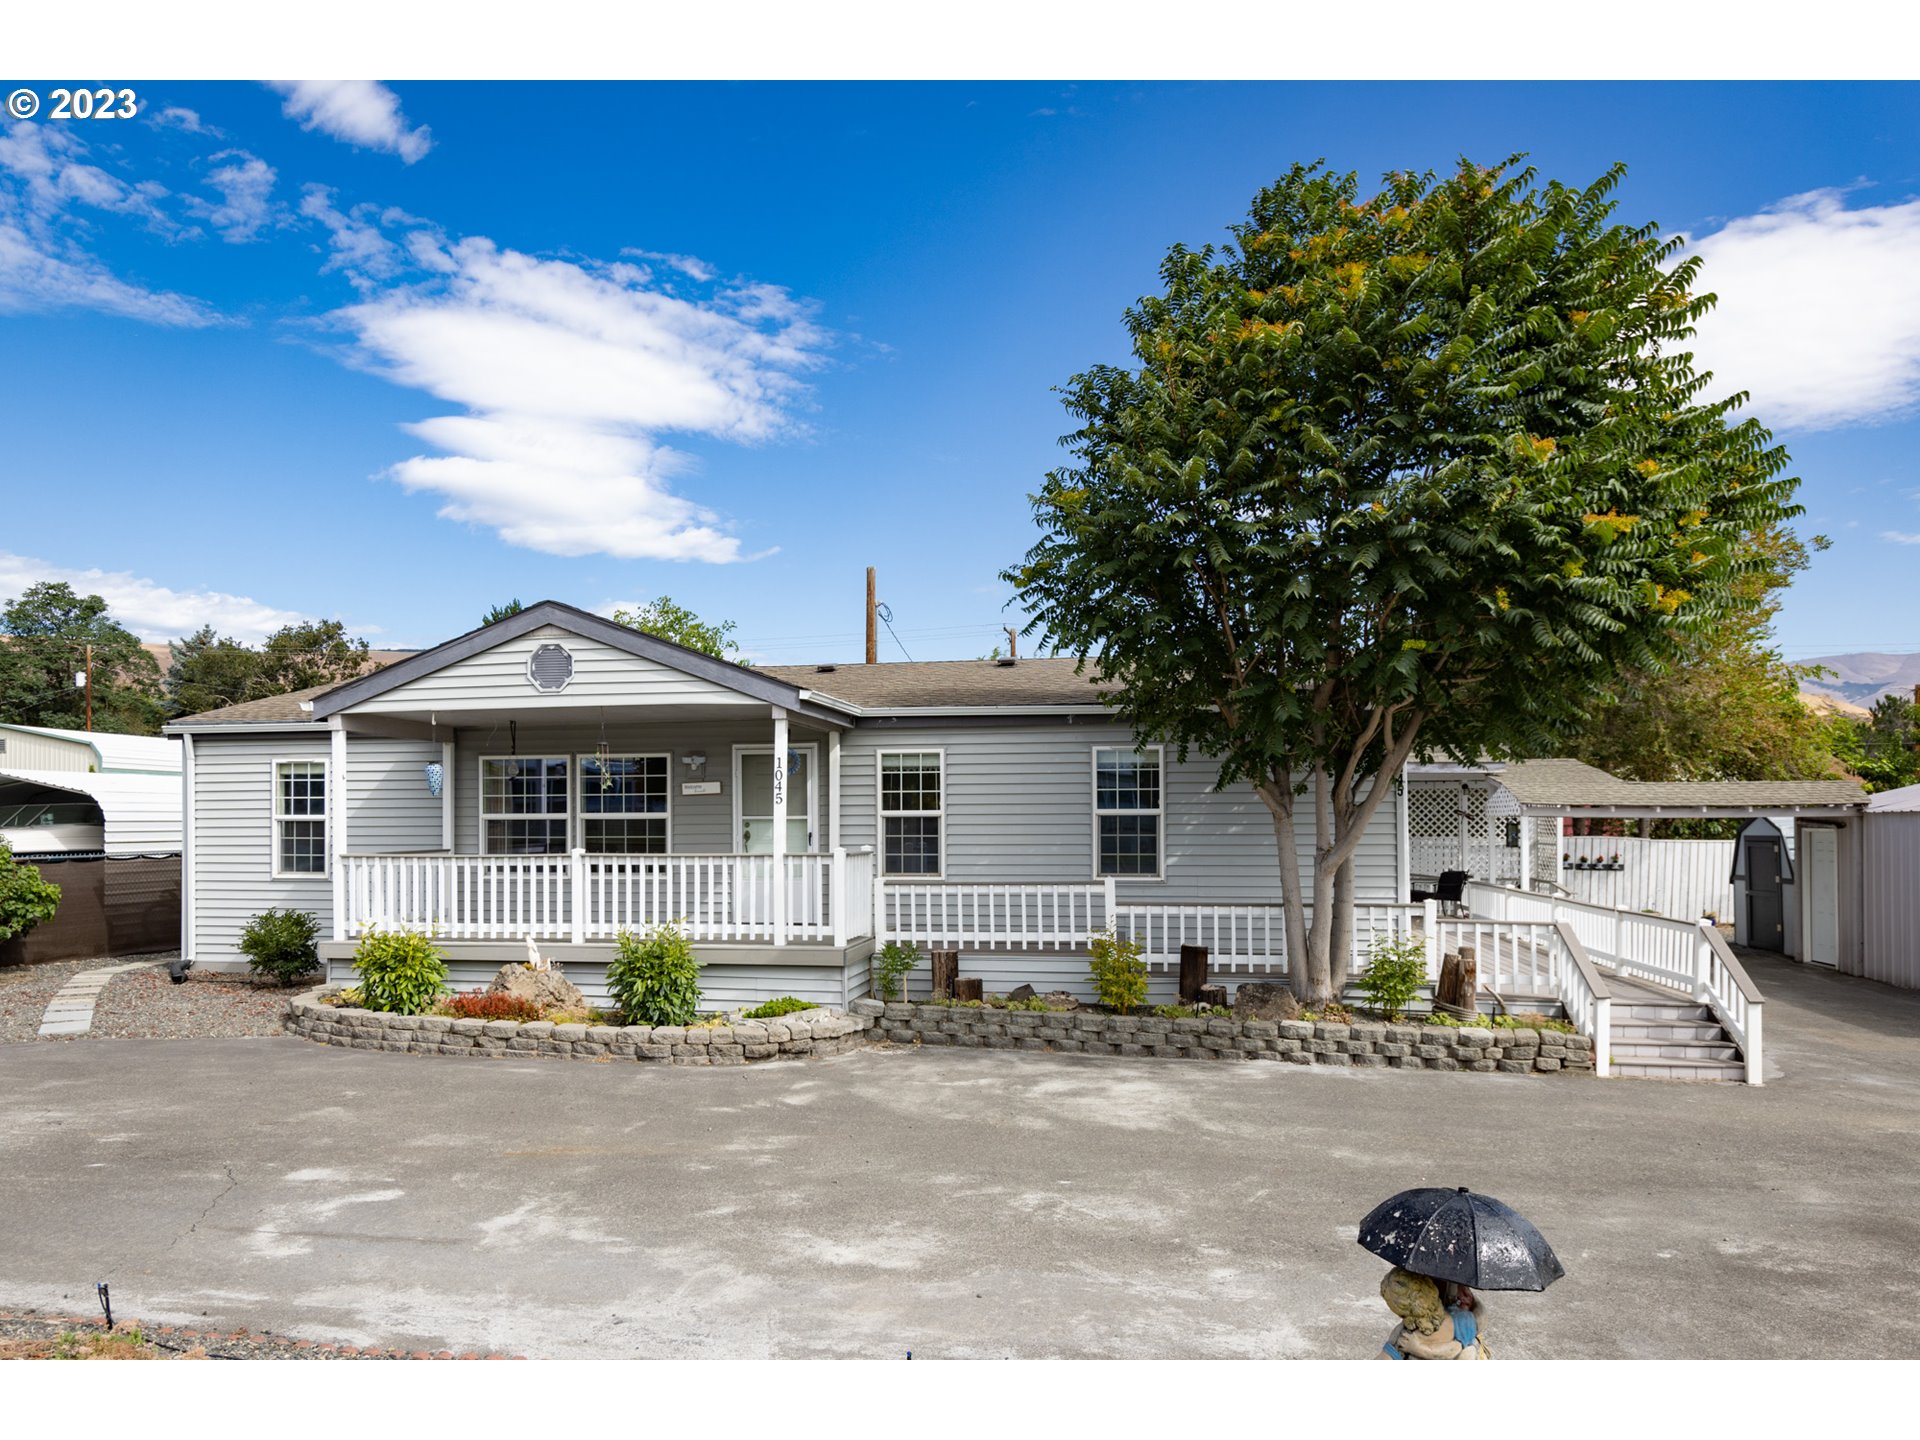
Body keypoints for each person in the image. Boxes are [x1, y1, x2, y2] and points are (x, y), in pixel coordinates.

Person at [1375, 1267, 1491, 1359]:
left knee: (1468, 1353)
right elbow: (1388, 1355)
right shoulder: (1405, 1331)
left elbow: (1455, 1349)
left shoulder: (1460, 1320)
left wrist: (1417, 1348)